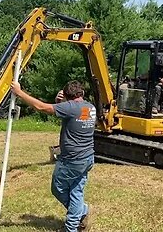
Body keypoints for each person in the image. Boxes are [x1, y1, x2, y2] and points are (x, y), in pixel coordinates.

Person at [11, 80, 95, 232]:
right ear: (81, 93)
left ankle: (75, 220)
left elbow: (41, 107)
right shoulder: (89, 107)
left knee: (58, 188)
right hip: (88, 157)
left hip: (72, 160)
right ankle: (79, 215)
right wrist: (60, 101)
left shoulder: (71, 108)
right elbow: (70, 115)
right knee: (76, 190)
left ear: (68, 97)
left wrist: (19, 92)